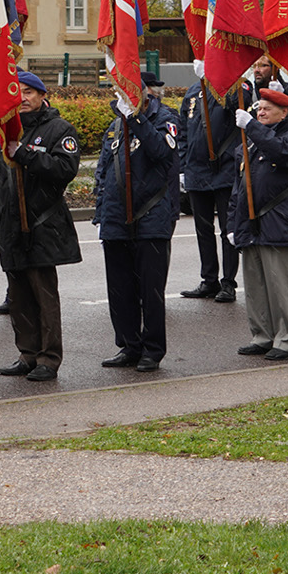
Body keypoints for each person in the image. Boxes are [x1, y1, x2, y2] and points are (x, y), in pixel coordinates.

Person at [0, 72, 81, 380]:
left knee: (43, 296)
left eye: (29, 92)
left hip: (44, 225)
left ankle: (48, 358)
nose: (23, 98)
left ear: (42, 96)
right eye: (18, 93)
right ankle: (27, 353)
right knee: (19, 297)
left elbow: (65, 169)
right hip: (12, 228)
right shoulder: (1, 133)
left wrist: (23, 154)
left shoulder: (59, 129)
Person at [97, 71, 180, 372]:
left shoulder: (165, 119)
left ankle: (152, 349)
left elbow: (161, 152)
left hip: (151, 215)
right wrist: (101, 210)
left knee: (150, 291)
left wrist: (136, 119)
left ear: (145, 94)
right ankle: (129, 345)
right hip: (117, 217)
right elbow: (104, 171)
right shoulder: (114, 127)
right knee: (120, 290)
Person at [228, 83, 288, 362]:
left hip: (279, 224)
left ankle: (285, 340)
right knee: (255, 286)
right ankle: (262, 335)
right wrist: (231, 224)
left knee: (280, 288)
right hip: (251, 226)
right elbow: (238, 189)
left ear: (284, 112)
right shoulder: (248, 142)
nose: (260, 112)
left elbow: (281, 152)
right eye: (258, 108)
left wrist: (252, 126)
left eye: (267, 109)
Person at [179, 61, 244, 303]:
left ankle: (228, 282)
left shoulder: (235, 87)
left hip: (225, 169)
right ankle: (209, 279)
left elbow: (237, 107)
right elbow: (184, 130)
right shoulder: (193, 92)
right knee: (203, 229)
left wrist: (218, 80)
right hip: (197, 170)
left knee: (228, 230)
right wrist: (183, 166)